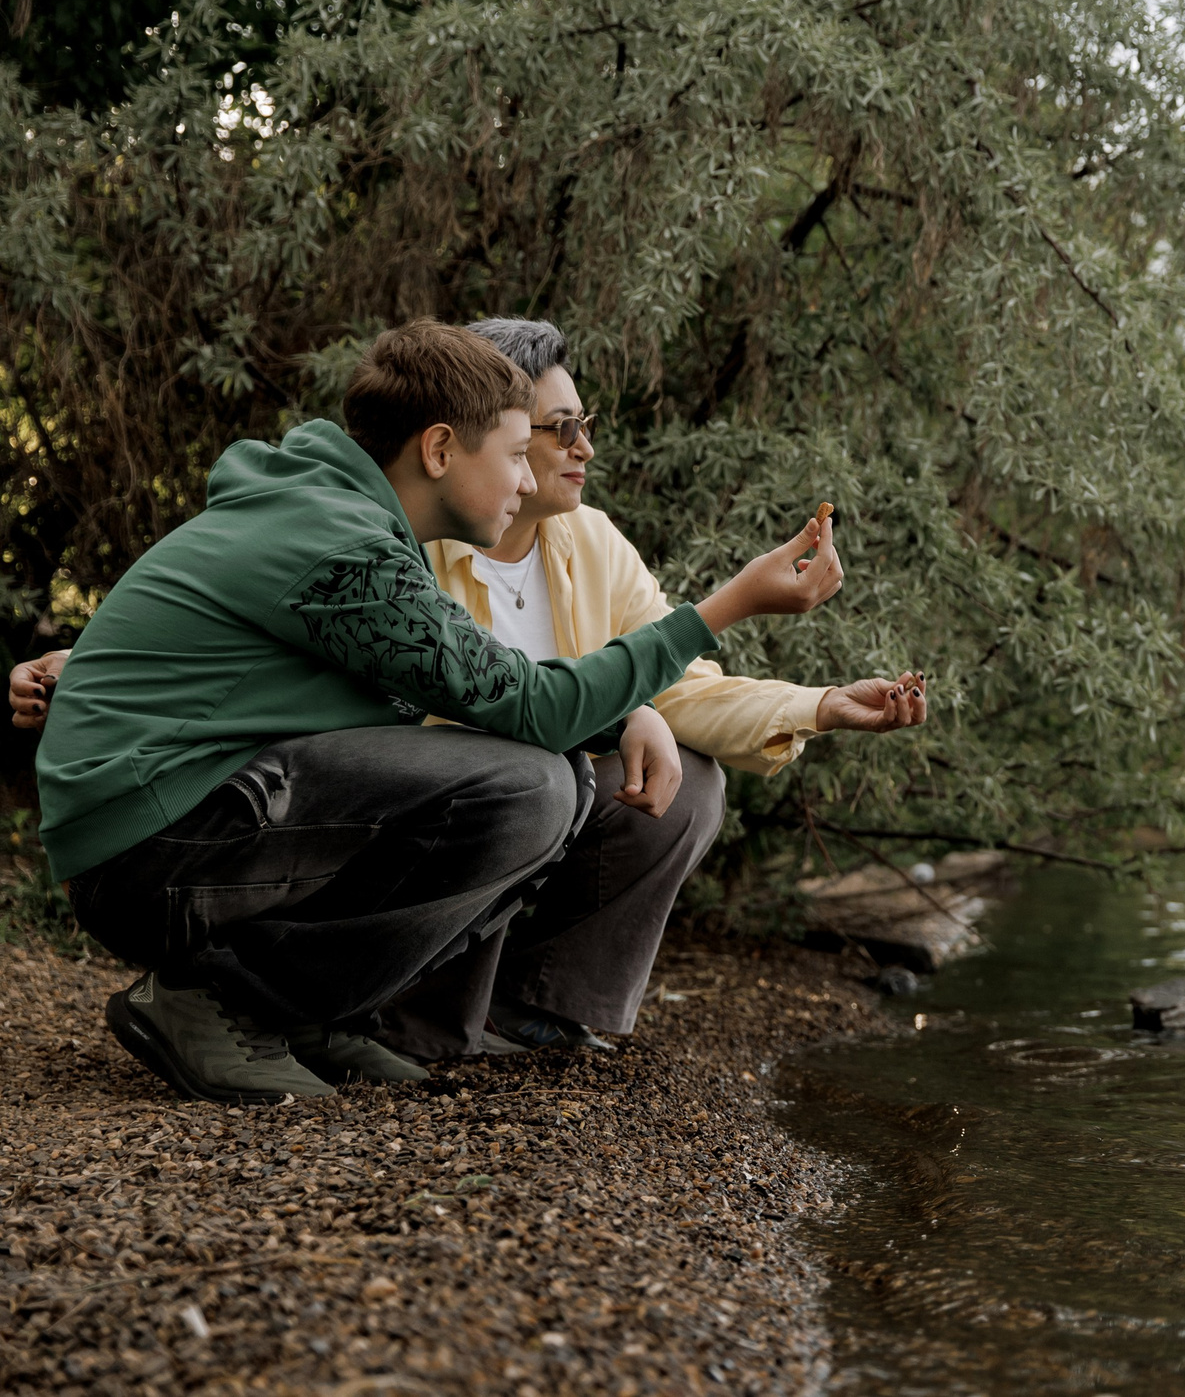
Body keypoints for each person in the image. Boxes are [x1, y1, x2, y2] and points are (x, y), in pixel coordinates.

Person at [11, 321, 846, 1104]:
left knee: (543, 778)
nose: (528, 479)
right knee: (531, 789)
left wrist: (627, 715)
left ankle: (311, 1016)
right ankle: (222, 1005)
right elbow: (526, 706)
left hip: (174, 829)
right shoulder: (343, 547)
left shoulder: (350, 525)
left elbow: (470, 697)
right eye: (519, 454)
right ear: (441, 448)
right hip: (147, 859)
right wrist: (727, 605)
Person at [389, 317, 925, 1058]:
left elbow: (679, 683)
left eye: (588, 424)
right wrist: (618, 717)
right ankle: (408, 1005)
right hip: (423, 833)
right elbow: (463, 717)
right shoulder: (410, 545)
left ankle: (531, 1004)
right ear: (486, 432)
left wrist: (820, 706)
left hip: (533, 802)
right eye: (561, 429)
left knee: (690, 781)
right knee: (538, 774)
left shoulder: (591, 540)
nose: (587, 447)